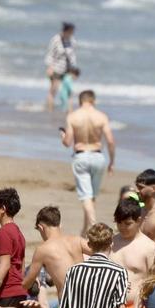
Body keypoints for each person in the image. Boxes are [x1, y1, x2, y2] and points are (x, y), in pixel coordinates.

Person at [24, 205, 87, 308]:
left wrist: (11, 294)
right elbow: (102, 253)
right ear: (60, 224)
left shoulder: (43, 250)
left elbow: (28, 281)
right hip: (90, 302)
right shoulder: (78, 240)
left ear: (41, 227)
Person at [61, 90, 115, 232]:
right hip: (98, 156)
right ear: (93, 101)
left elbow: (67, 142)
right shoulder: (102, 116)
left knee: (86, 196)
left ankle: (93, 227)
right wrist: (112, 161)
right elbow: (110, 141)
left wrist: (63, 136)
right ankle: (85, 231)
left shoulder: (72, 116)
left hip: (81, 155)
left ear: (80, 101)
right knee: (92, 197)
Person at [45, 22, 77, 112]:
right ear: (65, 31)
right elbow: (50, 54)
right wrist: (49, 67)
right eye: (70, 32)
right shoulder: (56, 39)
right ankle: (50, 110)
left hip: (68, 69)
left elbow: (73, 56)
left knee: (69, 90)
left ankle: (69, 110)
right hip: (56, 68)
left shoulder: (72, 41)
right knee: (54, 89)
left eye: (72, 32)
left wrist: (74, 69)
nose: (71, 34)